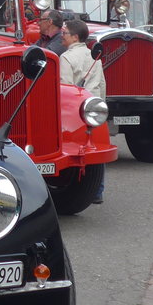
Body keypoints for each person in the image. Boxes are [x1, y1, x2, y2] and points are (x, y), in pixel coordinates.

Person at [59, 18, 106, 203]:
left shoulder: (66, 58)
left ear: (75, 37)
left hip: (75, 111)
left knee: (74, 150)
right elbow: (102, 85)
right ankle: (97, 191)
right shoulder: (94, 57)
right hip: (93, 108)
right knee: (95, 148)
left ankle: (77, 188)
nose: (62, 37)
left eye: (65, 33)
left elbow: (65, 88)